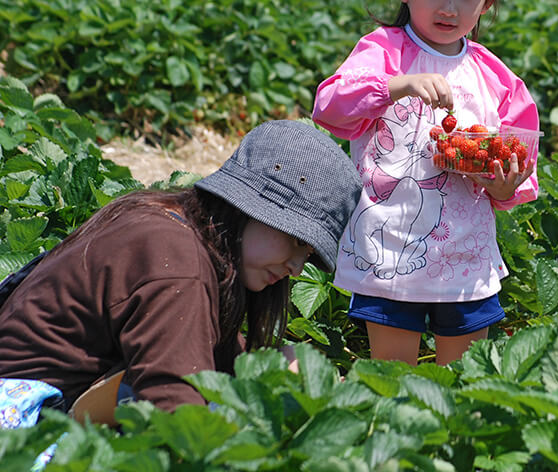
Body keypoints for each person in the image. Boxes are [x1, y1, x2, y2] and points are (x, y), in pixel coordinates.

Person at [0, 120, 362, 425]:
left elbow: (194, 347)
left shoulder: (175, 223)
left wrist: (271, 364)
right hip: (19, 413)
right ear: (251, 209)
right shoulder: (178, 262)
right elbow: (176, 408)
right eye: (297, 241)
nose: (297, 267)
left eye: (309, 253)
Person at [312, 0, 540, 366]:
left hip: (465, 253)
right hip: (388, 249)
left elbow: (520, 160)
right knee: (392, 377)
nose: (449, 9)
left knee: (462, 378)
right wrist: (398, 86)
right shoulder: (382, 52)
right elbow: (330, 107)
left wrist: (505, 183)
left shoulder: (496, 78)